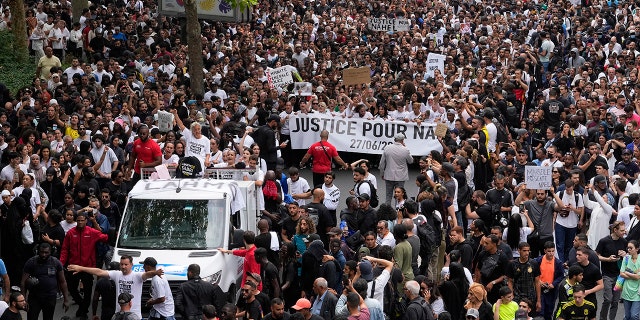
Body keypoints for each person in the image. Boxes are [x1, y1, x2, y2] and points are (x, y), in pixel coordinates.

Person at [67, 255, 163, 318]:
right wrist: (81, 268)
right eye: (121, 264)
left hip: (134, 316)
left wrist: (155, 272)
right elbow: (99, 271)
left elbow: (147, 275)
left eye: (126, 264)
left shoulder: (137, 276)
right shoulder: (116, 274)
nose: (123, 266)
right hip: (119, 315)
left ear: (131, 265)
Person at [60, 211, 109, 319]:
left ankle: (83, 312)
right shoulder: (70, 233)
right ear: (76, 221)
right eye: (78, 221)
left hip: (88, 267)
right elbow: (65, 249)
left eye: (82, 220)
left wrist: (96, 224)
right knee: (71, 289)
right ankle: (83, 307)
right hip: (73, 266)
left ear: (86, 221)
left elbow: (105, 237)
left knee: (87, 292)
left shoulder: (91, 232)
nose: (80, 222)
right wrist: (61, 263)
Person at [21, 242, 69, 320]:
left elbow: (62, 281)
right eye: (42, 252)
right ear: (38, 251)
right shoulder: (31, 262)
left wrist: (66, 300)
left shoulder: (56, 262)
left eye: (46, 252)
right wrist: (23, 300)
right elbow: (23, 282)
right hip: (35, 298)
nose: (44, 255)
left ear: (51, 252)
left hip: (50, 297)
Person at [596, 220, 628, 320]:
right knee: (608, 299)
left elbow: (629, 258)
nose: (624, 232)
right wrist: (607, 259)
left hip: (619, 276)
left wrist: (625, 255)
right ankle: (603, 318)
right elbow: (596, 256)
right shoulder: (604, 241)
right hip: (607, 275)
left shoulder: (623, 241)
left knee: (615, 301)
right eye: (622, 230)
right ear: (615, 230)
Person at [379, 133, 413, 205]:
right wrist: (406, 148)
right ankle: (398, 212)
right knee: (399, 196)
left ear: (394, 139)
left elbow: (382, 163)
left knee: (388, 196)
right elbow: (411, 161)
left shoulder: (387, 148)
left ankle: (386, 212)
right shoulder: (405, 149)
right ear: (402, 140)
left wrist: (382, 173)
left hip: (389, 175)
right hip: (400, 176)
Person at [506, 242, 541, 312]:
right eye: (524, 251)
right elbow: (510, 281)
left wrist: (538, 300)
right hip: (517, 296)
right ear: (519, 251)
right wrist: (511, 295)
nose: (527, 253)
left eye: (528, 251)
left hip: (530, 297)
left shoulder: (534, 263)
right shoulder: (512, 264)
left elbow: (537, 282)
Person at [620, 240, 640, 320]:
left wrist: (627, 273)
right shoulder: (626, 258)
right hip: (626, 291)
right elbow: (621, 273)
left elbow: (638, 277)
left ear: (637, 249)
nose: (628, 250)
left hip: (637, 292)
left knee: (634, 316)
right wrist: (634, 275)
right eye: (628, 248)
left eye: (631, 248)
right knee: (627, 316)